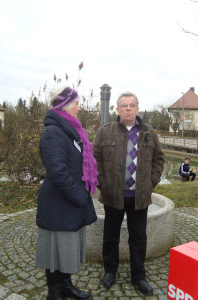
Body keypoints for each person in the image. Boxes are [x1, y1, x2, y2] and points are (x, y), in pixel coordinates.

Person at [93, 91, 164, 296]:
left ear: (137, 108)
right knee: (111, 236)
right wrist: (102, 183)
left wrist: (150, 183)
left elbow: (159, 160)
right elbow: (93, 159)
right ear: (117, 109)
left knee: (138, 238)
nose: (128, 108)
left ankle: (138, 276)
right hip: (113, 196)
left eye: (132, 105)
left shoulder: (149, 133)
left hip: (139, 198)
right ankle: (110, 271)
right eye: (124, 105)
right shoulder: (104, 132)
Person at [36, 86, 99, 300]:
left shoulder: (72, 131)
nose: (79, 108)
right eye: (77, 104)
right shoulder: (53, 132)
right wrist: (80, 196)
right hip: (58, 203)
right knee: (56, 250)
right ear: (65, 106)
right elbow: (58, 172)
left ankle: (66, 286)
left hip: (68, 202)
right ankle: (54, 293)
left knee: (65, 249)